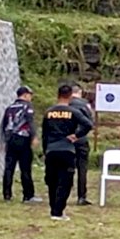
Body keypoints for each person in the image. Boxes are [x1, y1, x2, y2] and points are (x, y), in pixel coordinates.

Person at [42, 84, 93, 221]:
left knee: (52, 181)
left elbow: (44, 134)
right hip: (67, 149)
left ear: (57, 95)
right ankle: (58, 212)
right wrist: (77, 135)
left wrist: (45, 150)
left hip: (51, 149)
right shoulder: (73, 112)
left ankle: (53, 209)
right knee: (65, 182)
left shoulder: (49, 112)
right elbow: (88, 124)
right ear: (70, 96)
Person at [0, 85, 40, 203]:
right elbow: (30, 121)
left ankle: (7, 194)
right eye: (30, 95)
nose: (31, 97)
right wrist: (34, 136)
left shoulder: (10, 107)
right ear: (25, 95)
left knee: (9, 167)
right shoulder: (27, 106)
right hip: (23, 139)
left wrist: (3, 140)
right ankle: (28, 195)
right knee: (25, 168)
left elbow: (4, 125)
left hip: (10, 140)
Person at [70, 83, 94, 206]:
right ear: (79, 92)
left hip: (67, 140)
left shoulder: (65, 104)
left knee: (66, 168)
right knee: (82, 169)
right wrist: (79, 135)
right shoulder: (85, 105)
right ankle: (81, 196)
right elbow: (90, 122)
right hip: (81, 139)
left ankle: (62, 194)